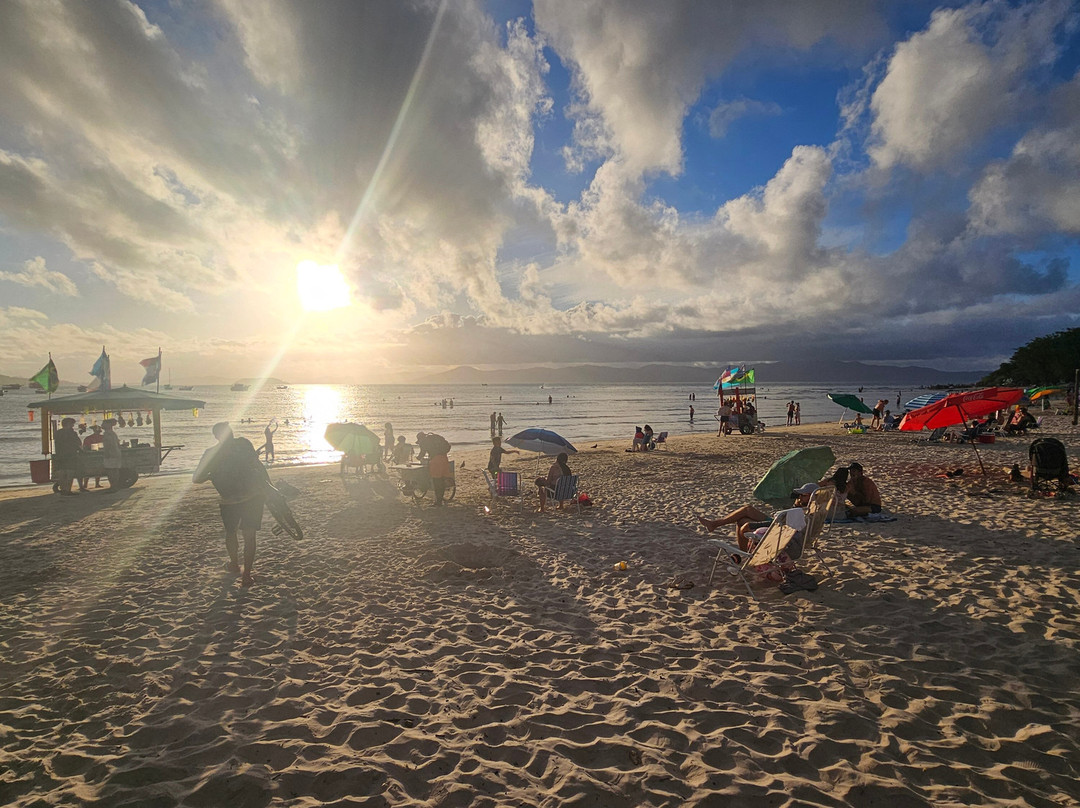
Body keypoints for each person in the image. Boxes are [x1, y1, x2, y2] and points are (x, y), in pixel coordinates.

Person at [193, 422, 269, 587]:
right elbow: (257, 466)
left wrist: (212, 474)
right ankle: (246, 575)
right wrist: (269, 486)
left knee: (231, 532)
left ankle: (234, 564)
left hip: (229, 500)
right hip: (252, 496)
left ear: (216, 437)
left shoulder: (211, 453)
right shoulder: (244, 444)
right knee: (249, 536)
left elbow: (196, 478)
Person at [698, 483, 817, 553]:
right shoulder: (812, 508)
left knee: (744, 524)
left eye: (804, 495)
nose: (800, 497)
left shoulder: (809, 510)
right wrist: (798, 503)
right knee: (747, 510)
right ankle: (715, 524)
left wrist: (798, 507)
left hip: (781, 529)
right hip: (780, 523)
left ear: (813, 497)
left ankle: (744, 553)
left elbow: (794, 526)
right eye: (800, 494)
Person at [415, 431, 453, 507]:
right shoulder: (434, 438)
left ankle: (438, 502)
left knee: (437, 482)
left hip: (436, 460)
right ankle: (440, 499)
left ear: (420, 438)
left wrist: (417, 458)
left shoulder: (424, 441)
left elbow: (422, 453)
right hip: (444, 458)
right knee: (441, 480)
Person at [53, 417, 82, 496]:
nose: (73, 426)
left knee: (62, 472)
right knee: (69, 473)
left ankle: (63, 489)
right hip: (70, 455)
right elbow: (78, 443)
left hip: (60, 454)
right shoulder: (72, 433)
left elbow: (56, 444)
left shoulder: (58, 433)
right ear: (68, 424)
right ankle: (68, 490)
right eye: (72, 424)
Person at [101, 418, 123, 491]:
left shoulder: (108, 433)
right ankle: (114, 486)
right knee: (114, 470)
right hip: (116, 453)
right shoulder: (112, 433)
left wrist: (107, 453)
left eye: (104, 424)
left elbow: (109, 445)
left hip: (111, 454)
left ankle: (113, 486)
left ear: (108, 425)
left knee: (111, 471)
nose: (102, 425)